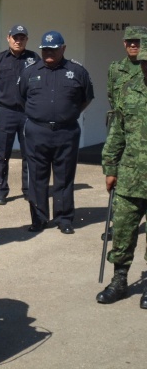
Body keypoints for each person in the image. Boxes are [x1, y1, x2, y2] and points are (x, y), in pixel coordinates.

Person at [18, 31, 94, 234]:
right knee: (36, 177)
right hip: (37, 132)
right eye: (45, 50)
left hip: (66, 132)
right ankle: (39, 219)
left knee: (64, 177)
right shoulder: (30, 71)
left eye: (53, 49)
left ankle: (64, 218)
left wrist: (68, 114)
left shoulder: (77, 71)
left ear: (63, 49)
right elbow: (22, 97)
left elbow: (87, 97)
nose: (48, 53)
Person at [98, 38, 147, 307]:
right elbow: (117, 132)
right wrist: (110, 167)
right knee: (124, 230)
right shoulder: (129, 90)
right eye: (144, 62)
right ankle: (119, 279)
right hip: (130, 175)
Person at [0, 24, 40, 205]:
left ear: (26, 39)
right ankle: (0, 191)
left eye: (22, 37)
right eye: (15, 37)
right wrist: (4, 96)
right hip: (6, 113)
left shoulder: (34, 59)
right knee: (3, 154)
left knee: (29, 153)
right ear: (8, 38)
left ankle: (28, 189)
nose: (18, 41)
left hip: (28, 113)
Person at [101, 26, 147, 241]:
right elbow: (111, 95)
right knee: (118, 178)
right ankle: (119, 224)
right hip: (123, 126)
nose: (132, 45)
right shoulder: (116, 68)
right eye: (129, 41)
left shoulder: (144, 68)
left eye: (137, 41)